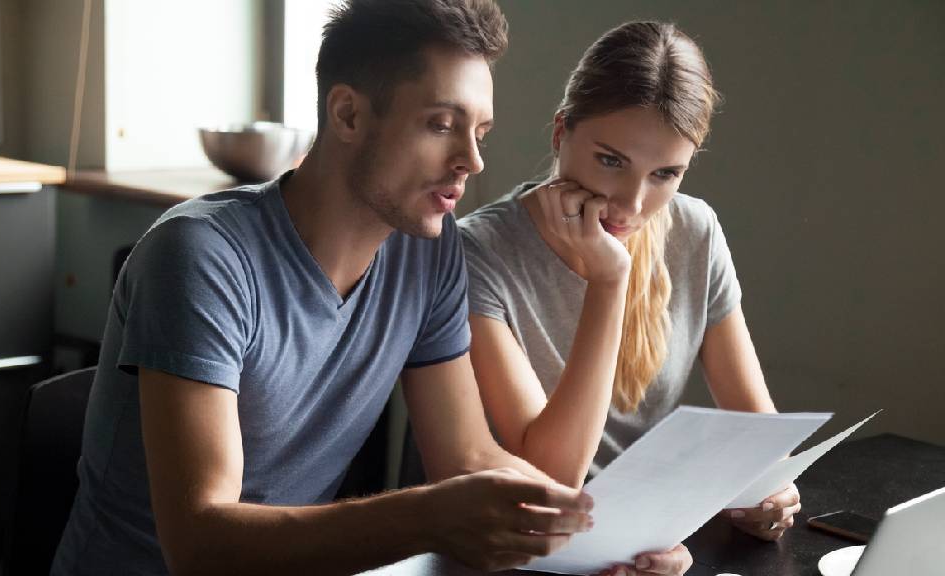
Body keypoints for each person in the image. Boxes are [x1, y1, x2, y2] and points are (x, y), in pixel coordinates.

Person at [49, 2, 604, 574]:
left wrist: (606, 538)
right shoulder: (200, 256)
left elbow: (467, 456)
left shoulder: (429, 249)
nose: (472, 160)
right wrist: (427, 517)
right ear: (347, 115)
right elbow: (198, 543)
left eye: (479, 131)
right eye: (441, 124)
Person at [459, 21, 801, 576]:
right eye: (611, 160)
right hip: (515, 550)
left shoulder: (695, 230)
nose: (632, 203)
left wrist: (771, 492)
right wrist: (609, 281)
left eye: (666, 173)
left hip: (648, 539)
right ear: (560, 133)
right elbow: (550, 477)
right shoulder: (478, 251)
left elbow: (758, 434)